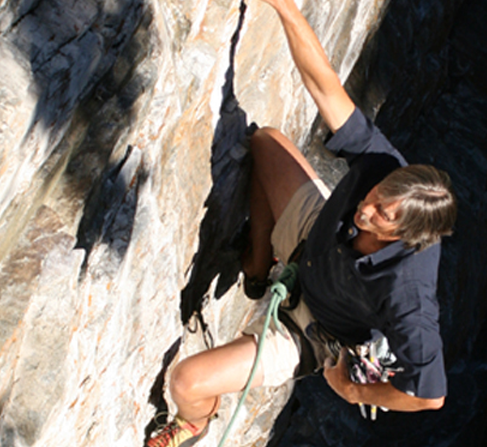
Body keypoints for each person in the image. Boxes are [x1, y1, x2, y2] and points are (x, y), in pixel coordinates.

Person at [146, 1, 456, 445]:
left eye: (379, 215)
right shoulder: (383, 168)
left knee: (188, 382)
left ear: (404, 238)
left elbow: (429, 396)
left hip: (314, 329)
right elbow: (324, 85)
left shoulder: (408, 297)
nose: (364, 209)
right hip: (314, 241)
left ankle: (194, 422)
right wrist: (285, 8)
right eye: (373, 196)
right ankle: (258, 266)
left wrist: (352, 390)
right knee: (266, 144)